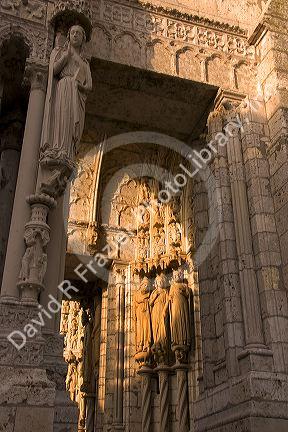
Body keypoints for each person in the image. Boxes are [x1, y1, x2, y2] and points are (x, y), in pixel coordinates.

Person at [41, 25, 92, 160]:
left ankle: (67, 152)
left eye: (78, 34)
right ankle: (57, 147)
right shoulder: (63, 52)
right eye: (73, 33)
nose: (75, 35)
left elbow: (89, 86)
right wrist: (66, 56)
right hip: (63, 86)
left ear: (83, 39)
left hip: (75, 91)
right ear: (68, 36)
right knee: (61, 117)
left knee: (70, 120)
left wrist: (81, 86)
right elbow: (54, 70)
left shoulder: (84, 63)